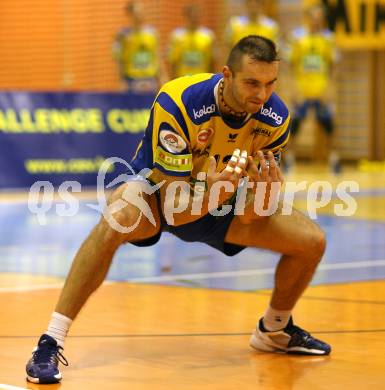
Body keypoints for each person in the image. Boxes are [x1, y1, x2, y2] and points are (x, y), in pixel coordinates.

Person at [26, 35, 331, 384]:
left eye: (269, 84)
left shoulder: (275, 119)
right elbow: (175, 210)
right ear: (226, 75)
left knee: (312, 241)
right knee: (118, 219)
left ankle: (274, 330)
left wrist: (261, 198)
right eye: (251, 83)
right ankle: (51, 339)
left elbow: (248, 217)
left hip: (219, 200)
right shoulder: (181, 101)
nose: (261, 95)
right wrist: (215, 194)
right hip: (158, 196)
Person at [285, 3, 340, 173]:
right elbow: (291, 66)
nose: (316, 21)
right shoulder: (298, 38)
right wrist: (294, 90)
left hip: (321, 90)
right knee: (294, 126)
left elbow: (333, 68)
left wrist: (330, 91)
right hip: (303, 90)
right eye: (313, 17)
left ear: (322, 19)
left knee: (329, 126)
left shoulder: (328, 39)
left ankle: (334, 160)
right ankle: (289, 160)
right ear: (308, 18)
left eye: (319, 18)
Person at [112, 2, 167, 93]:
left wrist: (162, 78)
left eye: (142, 12)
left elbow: (157, 57)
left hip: (150, 79)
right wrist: (121, 81)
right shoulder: (123, 35)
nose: (140, 15)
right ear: (130, 14)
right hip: (131, 80)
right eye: (137, 12)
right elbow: (119, 60)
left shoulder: (152, 33)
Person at [168, 4, 216, 79]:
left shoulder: (208, 36)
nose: (194, 19)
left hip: (202, 79)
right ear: (186, 16)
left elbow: (212, 62)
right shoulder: (177, 36)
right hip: (183, 79)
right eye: (192, 16)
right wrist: (172, 80)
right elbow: (173, 63)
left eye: (196, 16)